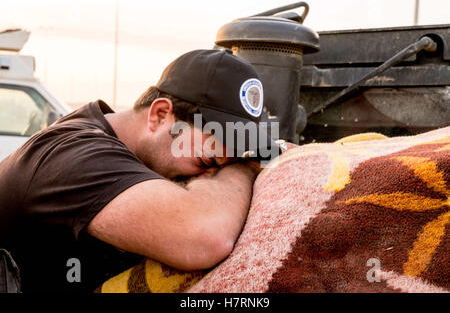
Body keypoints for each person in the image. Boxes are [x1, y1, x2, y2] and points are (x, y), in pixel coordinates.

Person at [0, 49, 279, 292]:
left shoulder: (110, 143)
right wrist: (245, 167)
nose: (208, 176)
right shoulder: (74, 156)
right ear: (159, 115)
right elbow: (206, 237)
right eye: (206, 162)